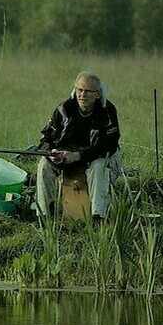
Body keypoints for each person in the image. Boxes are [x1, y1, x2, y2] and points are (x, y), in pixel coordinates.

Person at [36, 72, 121, 220]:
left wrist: (78, 155)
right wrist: (52, 152)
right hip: (67, 156)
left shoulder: (107, 111)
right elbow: (46, 138)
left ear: (98, 94)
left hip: (95, 156)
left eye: (88, 91)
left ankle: (98, 217)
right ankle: (44, 215)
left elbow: (109, 145)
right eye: (79, 90)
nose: (83, 95)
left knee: (99, 167)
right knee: (44, 165)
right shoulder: (64, 109)